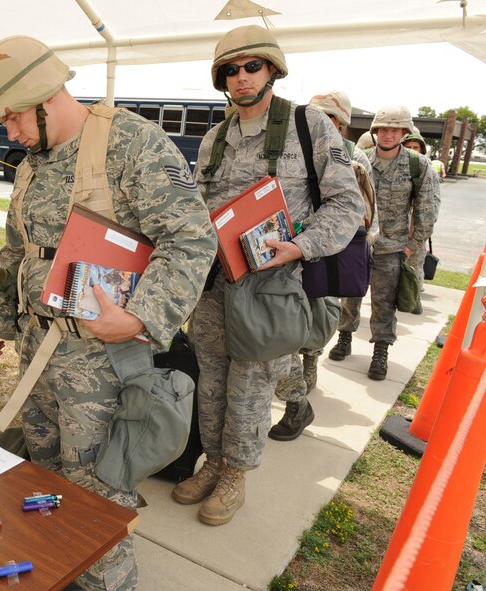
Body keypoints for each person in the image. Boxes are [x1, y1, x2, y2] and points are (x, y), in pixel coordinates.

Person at [0, 35, 216, 589]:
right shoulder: (33, 161)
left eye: (12, 119)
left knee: (97, 493)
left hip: (101, 364)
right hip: (38, 352)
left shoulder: (131, 144)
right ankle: (60, 570)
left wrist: (140, 317)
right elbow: (19, 247)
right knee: (42, 476)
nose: (10, 134)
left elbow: (192, 239)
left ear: (44, 96)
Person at [172, 26, 363, 524]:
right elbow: (198, 207)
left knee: (252, 386)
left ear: (273, 69)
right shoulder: (215, 137)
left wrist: (299, 246)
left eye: (251, 66)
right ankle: (213, 462)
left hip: (273, 286)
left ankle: (236, 475)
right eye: (230, 70)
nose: (241, 78)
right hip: (215, 286)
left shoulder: (310, 125)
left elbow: (348, 204)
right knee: (211, 380)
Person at [269, 90, 376, 442]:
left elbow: (360, 213)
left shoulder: (354, 158)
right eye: (319, 116)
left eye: (331, 119)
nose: (323, 124)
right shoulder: (293, 145)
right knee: (280, 331)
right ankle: (298, 390)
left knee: (314, 320)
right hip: (286, 254)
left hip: (325, 256)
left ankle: (309, 364)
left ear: (341, 124)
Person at [329, 106, 439, 379]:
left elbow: (427, 208)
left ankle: (381, 350)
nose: (389, 134)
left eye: (395, 129)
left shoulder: (418, 164)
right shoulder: (361, 159)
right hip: (359, 242)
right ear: (375, 131)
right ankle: (345, 337)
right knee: (350, 295)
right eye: (383, 129)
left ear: (404, 132)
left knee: (384, 302)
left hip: (393, 247)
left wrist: (412, 245)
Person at [402, 129, 440, 315]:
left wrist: (424, 229)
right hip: (397, 229)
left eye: (415, 147)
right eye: (408, 147)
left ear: (422, 150)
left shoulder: (429, 172)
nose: (412, 150)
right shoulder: (398, 168)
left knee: (415, 265)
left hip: (417, 229)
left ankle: (414, 299)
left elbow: (433, 203)